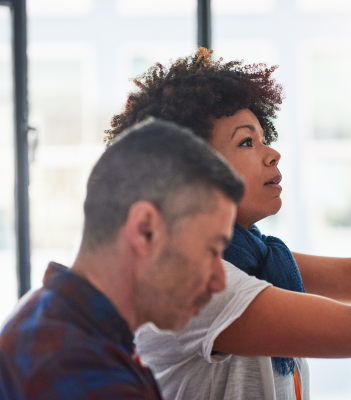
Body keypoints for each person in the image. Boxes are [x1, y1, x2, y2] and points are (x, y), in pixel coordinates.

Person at [106, 48, 351, 400]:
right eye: (247, 143)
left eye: (264, 138)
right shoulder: (189, 285)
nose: (272, 153)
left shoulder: (253, 258)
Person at [0, 119, 247, 399]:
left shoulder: (56, 320)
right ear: (145, 230)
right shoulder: (77, 368)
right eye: (211, 251)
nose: (219, 281)